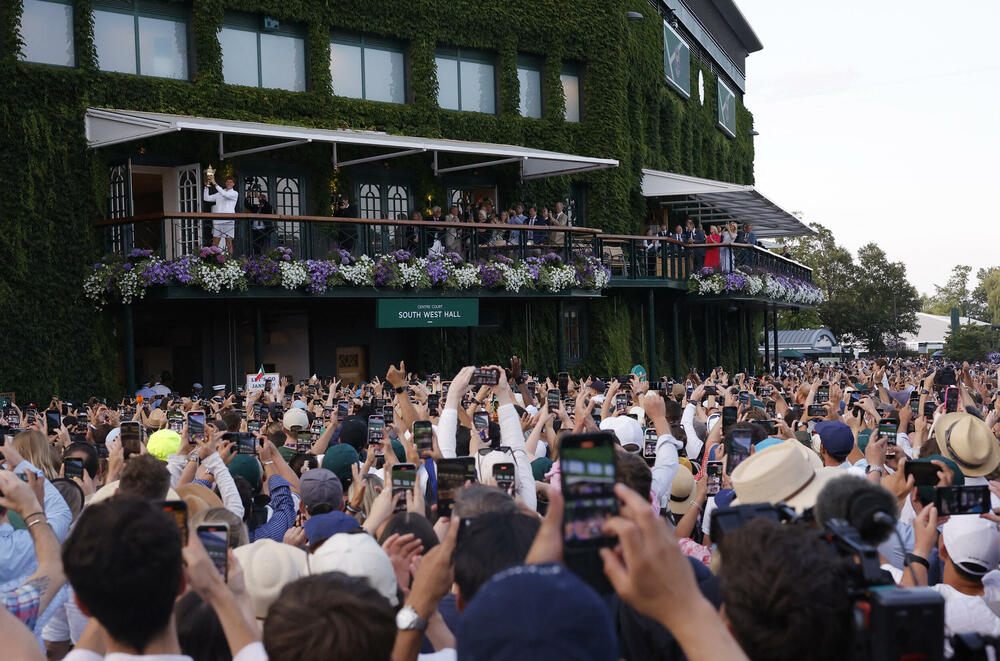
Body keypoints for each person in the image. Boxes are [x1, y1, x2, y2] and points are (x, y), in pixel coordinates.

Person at [204, 175, 239, 254]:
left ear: (233, 184)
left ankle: (230, 263)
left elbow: (225, 194)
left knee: (229, 243)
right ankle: (213, 262)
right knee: (215, 243)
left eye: (231, 182)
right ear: (225, 183)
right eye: (227, 182)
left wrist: (214, 183)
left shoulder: (234, 193)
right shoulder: (219, 193)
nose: (229, 183)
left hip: (228, 221)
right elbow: (206, 198)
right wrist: (206, 186)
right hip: (218, 221)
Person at [248, 191, 274, 256]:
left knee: (264, 246)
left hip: (264, 229)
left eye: (263, 198)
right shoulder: (256, 207)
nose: (261, 199)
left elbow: (267, 204)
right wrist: (248, 196)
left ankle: (265, 259)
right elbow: (247, 205)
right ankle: (257, 258)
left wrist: (258, 197)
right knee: (255, 245)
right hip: (255, 229)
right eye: (261, 198)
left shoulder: (268, 207)